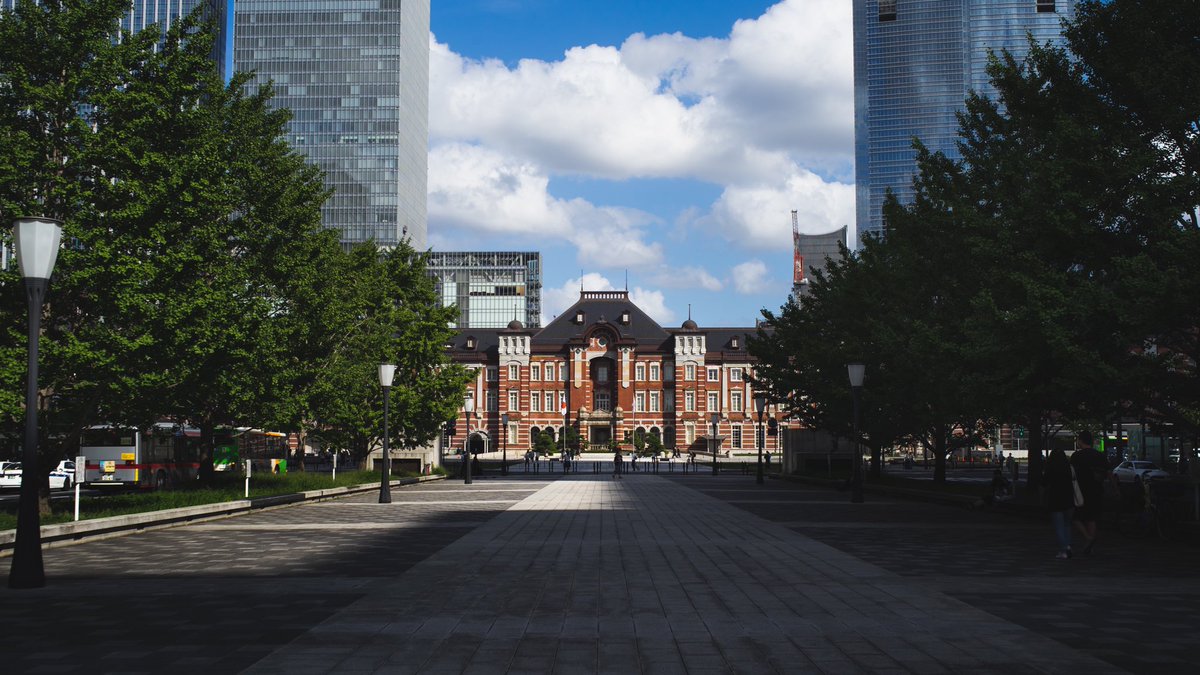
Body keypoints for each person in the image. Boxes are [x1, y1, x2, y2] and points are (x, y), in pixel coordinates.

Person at [1070, 430, 1108, 555]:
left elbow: (1071, 474)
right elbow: (1109, 473)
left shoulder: (1077, 456)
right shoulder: (1099, 455)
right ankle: (1090, 546)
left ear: (1081, 440)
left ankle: (1088, 538)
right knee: (1092, 518)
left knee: (1075, 517)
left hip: (1081, 491)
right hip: (1096, 490)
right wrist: (1116, 489)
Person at [1042, 445, 1074, 559]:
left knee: (1059, 526)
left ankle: (1063, 550)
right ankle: (1068, 545)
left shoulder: (1050, 468)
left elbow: (1044, 482)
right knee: (1067, 525)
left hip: (1055, 499)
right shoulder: (1069, 467)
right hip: (1069, 498)